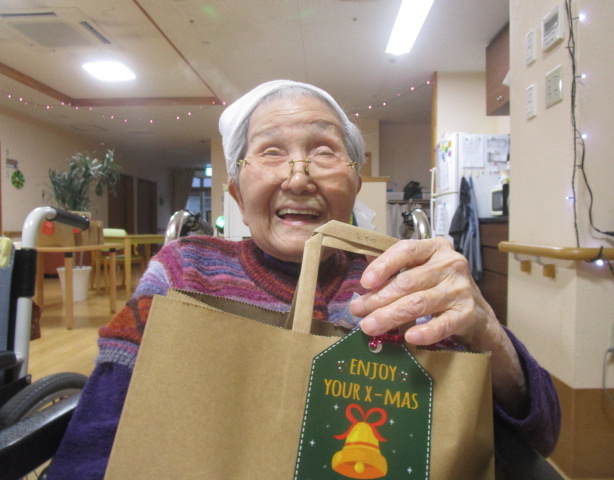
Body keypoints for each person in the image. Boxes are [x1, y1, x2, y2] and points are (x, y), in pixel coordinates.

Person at [47, 80, 560, 479]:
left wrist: (487, 330)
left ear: (354, 182)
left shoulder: (409, 285)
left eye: (324, 151)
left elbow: (541, 432)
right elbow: (96, 446)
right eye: (271, 152)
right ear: (236, 191)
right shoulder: (184, 273)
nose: (298, 177)